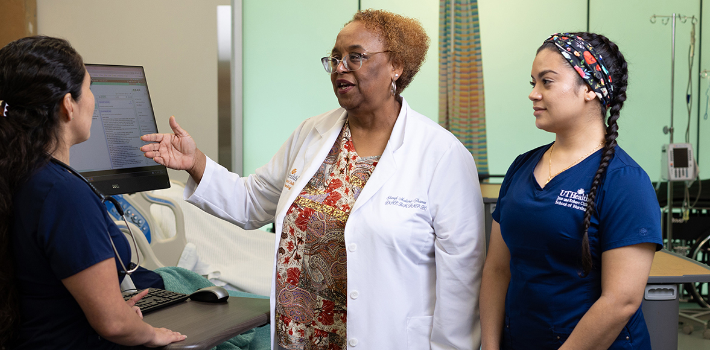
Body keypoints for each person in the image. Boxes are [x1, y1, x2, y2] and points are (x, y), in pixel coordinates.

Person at [140, 9, 484, 350]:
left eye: (355, 56)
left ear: (396, 66)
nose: (339, 68)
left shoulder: (442, 155)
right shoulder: (313, 133)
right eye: (334, 58)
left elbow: (461, 282)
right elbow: (251, 202)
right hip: (299, 337)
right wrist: (195, 162)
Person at [0, 36, 186, 350]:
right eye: (88, 88)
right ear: (67, 105)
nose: (92, 98)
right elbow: (112, 324)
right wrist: (151, 333)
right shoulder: (65, 194)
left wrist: (114, 312)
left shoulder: (4, 174)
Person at [479, 32, 663, 349]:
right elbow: (497, 269)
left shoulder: (624, 180)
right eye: (532, 83)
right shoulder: (522, 168)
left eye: (546, 82)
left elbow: (621, 301)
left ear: (590, 88)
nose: (533, 94)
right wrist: (491, 345)